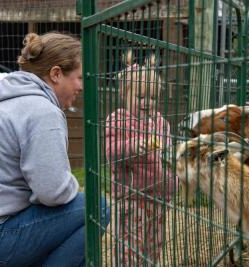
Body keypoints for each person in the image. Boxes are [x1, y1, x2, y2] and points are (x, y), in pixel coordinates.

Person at [0, 32, 108, 267]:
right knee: (97, 207)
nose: (81, 86)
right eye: (78, 77)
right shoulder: (42, 110)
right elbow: (53, 192)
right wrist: (73, 185)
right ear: (56, 74)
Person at [106, 50, 176, 266]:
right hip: (131, 198)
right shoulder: (116, 120)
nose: (148, 102)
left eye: (153, 97)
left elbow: (169, 155)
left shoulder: (161, 122)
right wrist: (134, 147)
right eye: (141, 97)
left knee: (153, 248)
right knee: (129, 249)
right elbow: (111, 151)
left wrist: (173, 179)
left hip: (158, 198)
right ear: (124, 94)